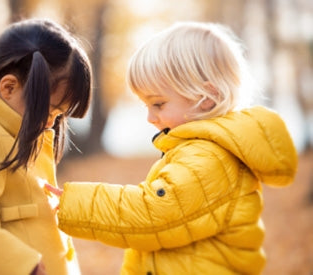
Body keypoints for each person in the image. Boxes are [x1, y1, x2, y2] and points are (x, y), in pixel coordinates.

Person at [45, 21, 298, 274]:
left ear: (206, 99)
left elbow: (154, 214)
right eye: (146, 106)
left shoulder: (211, 158)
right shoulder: (205, 149)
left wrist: (74, 203)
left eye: (158, 104)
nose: (150, 118)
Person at [0, 18, 92, 275]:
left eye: (60, 115)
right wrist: (24, 265)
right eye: (51, 109)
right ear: (9, 87)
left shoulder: (8, 128)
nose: (53, 122)